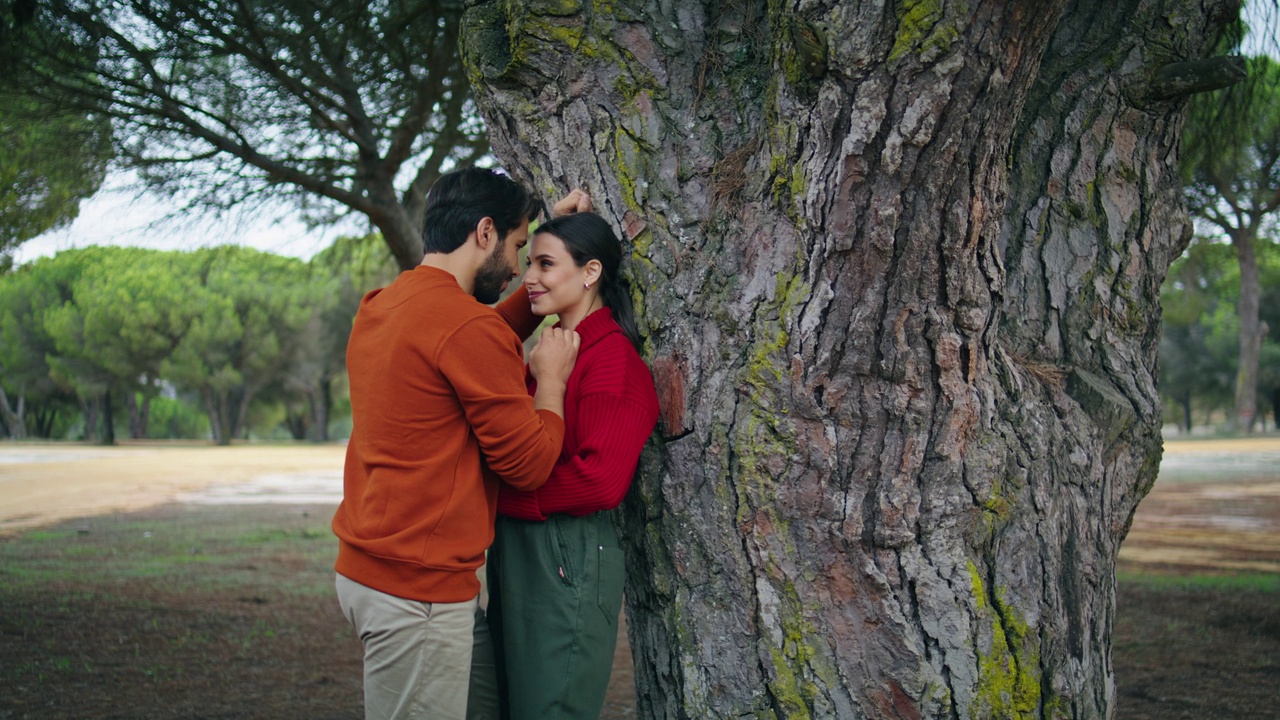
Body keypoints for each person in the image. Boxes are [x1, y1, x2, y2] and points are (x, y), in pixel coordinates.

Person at [332, 167, 585, 720]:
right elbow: (529, 464)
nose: (521, 267)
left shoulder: (382, 304)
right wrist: (551, 382)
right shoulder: (465, 329)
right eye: (520, 247)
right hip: (415, 593)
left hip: (372, 573)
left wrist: (552, 238)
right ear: (485, 232)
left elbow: (470, 338)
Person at [483, 212, 660, 720]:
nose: (528, 277)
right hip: (520, 548)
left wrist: (504, 498)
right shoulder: (552, 353)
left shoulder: (612, 360)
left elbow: (601, 482)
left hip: (568, 551)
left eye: (545, 264)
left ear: (590, 273)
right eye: (528, 261)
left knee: (550, 705)